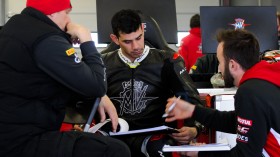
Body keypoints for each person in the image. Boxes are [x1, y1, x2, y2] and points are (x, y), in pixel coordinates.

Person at [0, 0, 130, 157]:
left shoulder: (15, 28)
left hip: (10, 132)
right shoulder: (46, 40)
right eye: (66, 13)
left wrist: (98, 95)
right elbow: (97, 85)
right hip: (24, 141)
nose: (69, 20)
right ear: (52, 12)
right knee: (114, 150)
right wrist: (86, 40)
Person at [101, 9, 203, 157]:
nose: (135, 46)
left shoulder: (169, 61)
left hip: (154, 136)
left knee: (159, 149)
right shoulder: (101, 63)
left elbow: (191, 98)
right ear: (115, 39)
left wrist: (195, 128)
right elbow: (83, 100)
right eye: (127, 41)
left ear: (143, 29)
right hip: (113, 134)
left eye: (139, 37)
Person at [165, 29, 280, 157]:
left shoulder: (250, 92)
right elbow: (236, 122)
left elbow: (244, 155)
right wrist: (193, 110)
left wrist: (200, 153)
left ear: (232, 65)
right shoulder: (266, 81)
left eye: (220, 62)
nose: (219, 68)